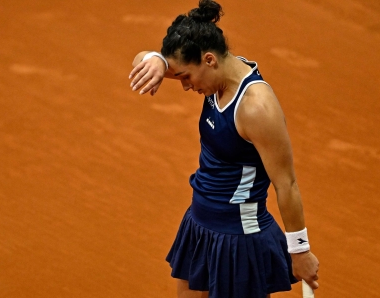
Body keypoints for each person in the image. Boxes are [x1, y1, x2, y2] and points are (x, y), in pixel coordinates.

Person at [128, 1, 319, 297]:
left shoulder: (256, 108)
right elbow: (144, 59)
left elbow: (287, 184)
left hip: (239, 241)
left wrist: (299, 251)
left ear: (209, 60)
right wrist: (157, 60)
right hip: (200, 225)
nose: (185, 87)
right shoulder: (215, 77)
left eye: (185, 77)